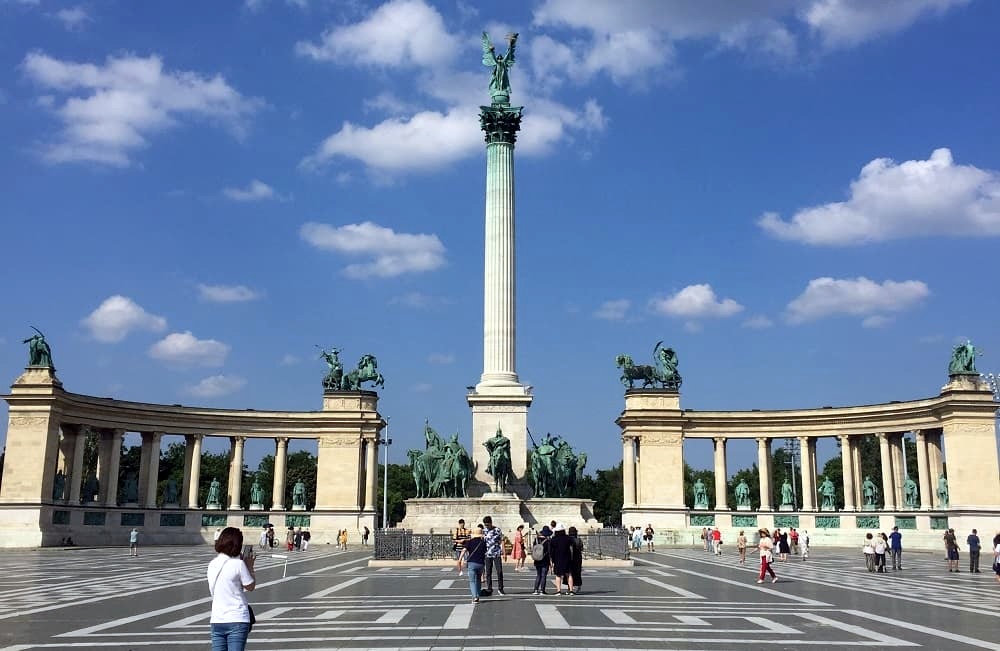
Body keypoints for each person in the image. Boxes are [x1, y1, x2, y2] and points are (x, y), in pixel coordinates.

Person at [207, 527, 255, 651]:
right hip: (237, 618)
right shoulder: (238, 564)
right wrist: (250, 566)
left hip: (217, 619)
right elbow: (250, 586)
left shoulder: (212, 564)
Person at [457, 525, 486, 603]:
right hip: (481, 563)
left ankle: (475, 597)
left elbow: (464, 550)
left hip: (472, 563)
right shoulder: (483, 542)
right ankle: (478, 595)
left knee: (472, 581)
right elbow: (485, 552)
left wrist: (459, 560)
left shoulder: (470, 542)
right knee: (478, 580)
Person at [549, 523, 575, 595]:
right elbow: (572, 545)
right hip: (567, 558)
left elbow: (551, 550)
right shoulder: (568, 538)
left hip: (557, 559)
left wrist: (551, 559)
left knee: (558, 575)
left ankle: (558, 591)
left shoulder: (554, 539)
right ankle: (571, 590)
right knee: (569, 574)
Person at [482, 516, 505, 596]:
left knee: (499, 571)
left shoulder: (497, 530)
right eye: (485, 525)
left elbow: (502, 541)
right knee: (488, 572)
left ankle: (501, 588)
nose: (487, 526)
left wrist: (504, 552)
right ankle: (489, 588)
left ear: (491, 523)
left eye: (488, 525)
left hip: (496, 553)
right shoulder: (484, 531)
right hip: (487, 554)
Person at [531, 528, 551, 595]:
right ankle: (542, 590)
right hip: (545, 560)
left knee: (538, 575)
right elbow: (549, 551)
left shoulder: (536, 540)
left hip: (537, 559)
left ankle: (535, 590)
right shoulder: (548, 541)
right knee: (543, 575)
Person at [567, 526, 584, 594]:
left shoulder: (568, 539)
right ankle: (578, 586)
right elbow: (581, 548)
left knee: (569, 574)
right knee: (577, 572)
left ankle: (569, 588)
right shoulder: (579, 540)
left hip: (569, 558)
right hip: (578, 558)